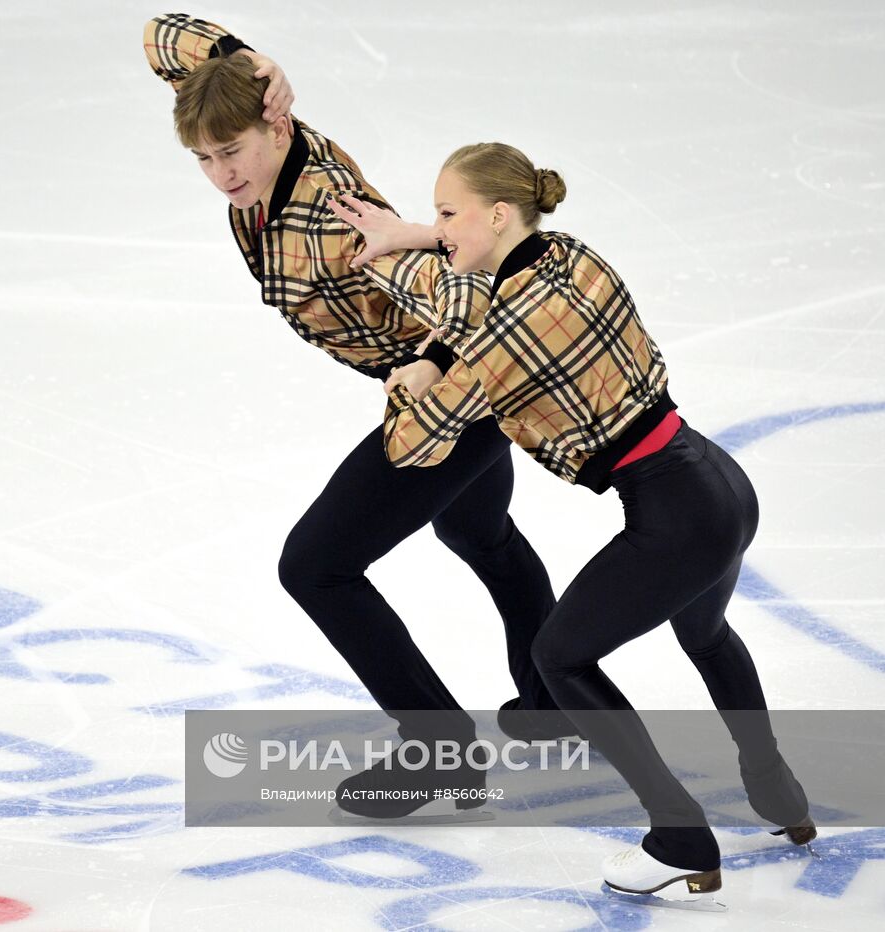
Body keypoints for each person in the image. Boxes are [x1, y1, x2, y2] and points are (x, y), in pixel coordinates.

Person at [330, 142, 814, 892]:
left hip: (674, 516)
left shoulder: (505, 333)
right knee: (707, 635)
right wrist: (409, 243)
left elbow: (417, 443)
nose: (440, 226)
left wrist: (407, 381)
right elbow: (465, 284)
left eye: (448, 213)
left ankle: (680, 836)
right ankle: (778, 792)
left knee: (558, 659)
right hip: (718, 481)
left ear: (498, 214)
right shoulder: (569, 253)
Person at [143, 15, 570, 818]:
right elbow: (160, 34)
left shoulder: (333, 217)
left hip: (454, 391)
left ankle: (440, 751)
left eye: (230, 152)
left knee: (315, 566)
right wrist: (246, 59)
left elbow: (470, 290)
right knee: (477, 531)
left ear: (276, 127)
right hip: (436, 381)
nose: (220, 174)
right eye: (202, 158)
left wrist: (432, 361)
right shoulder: (255, 126)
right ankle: (555, 704)